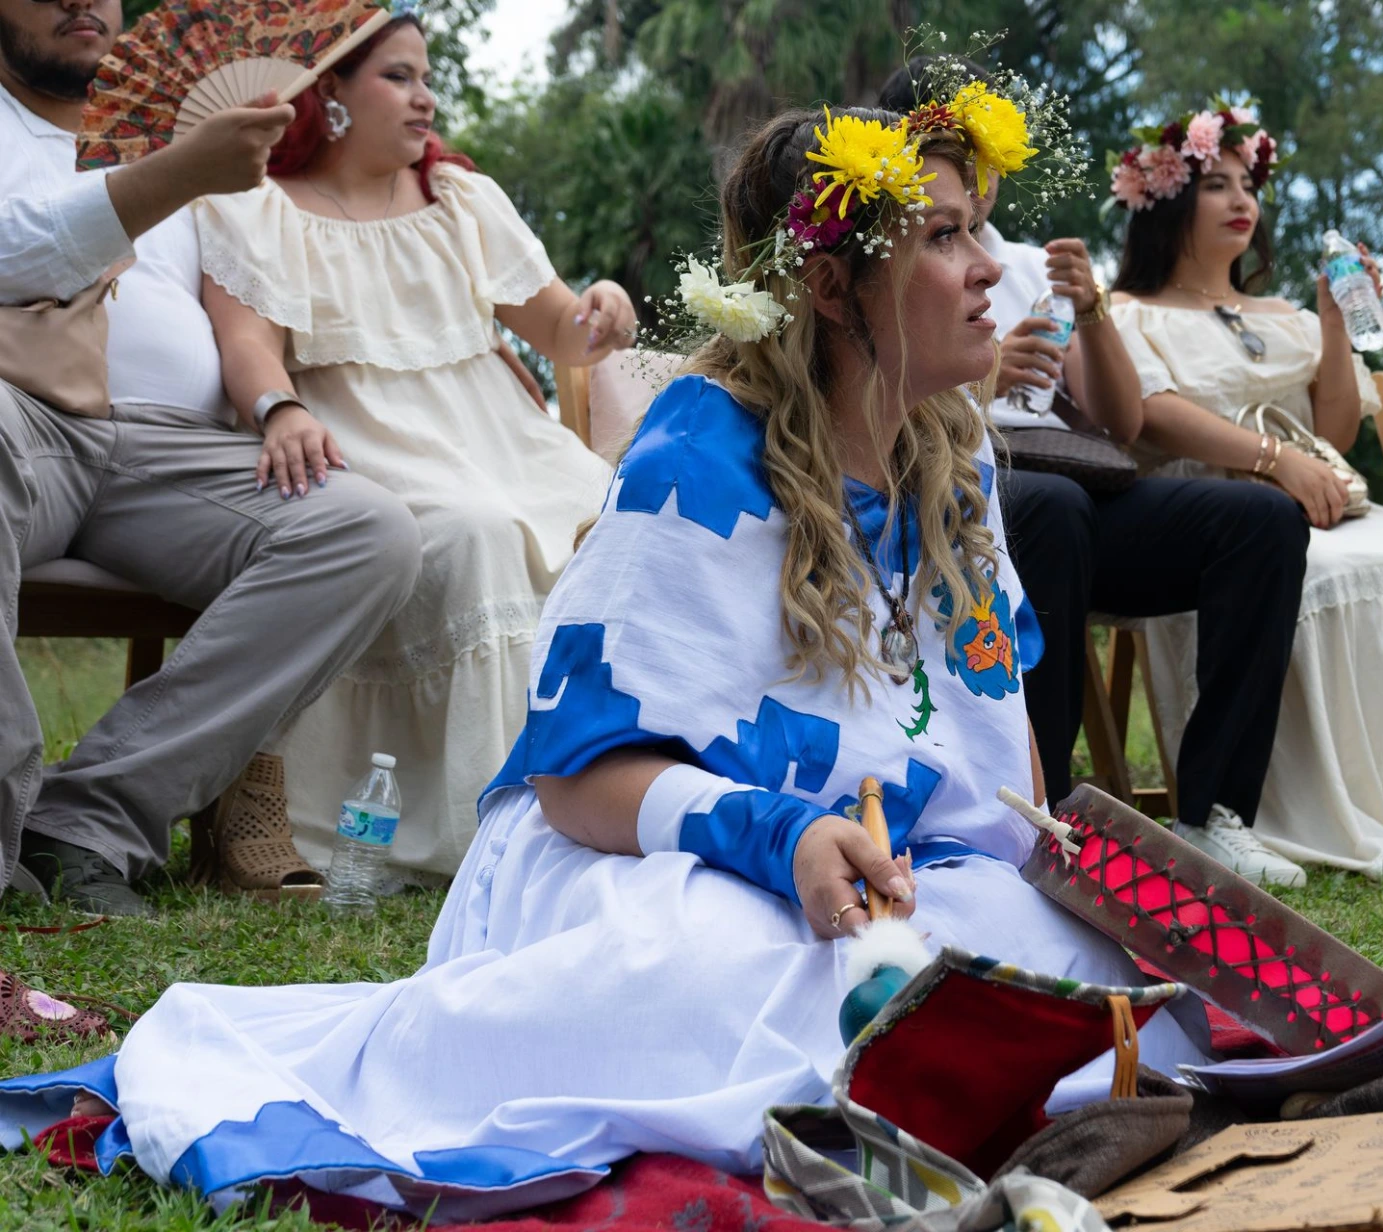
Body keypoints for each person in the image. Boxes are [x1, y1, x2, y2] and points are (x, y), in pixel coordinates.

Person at [0, 104, 1211, 1215]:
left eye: (978, 229)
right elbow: (578, 778)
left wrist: (1042, 864)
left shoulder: (957, 456)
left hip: (882, 864)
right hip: (642, 848)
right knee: (726, 967)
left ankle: (912, 1077)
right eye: (944, 237)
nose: (990, 266)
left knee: (1072, 953)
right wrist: (782, 836)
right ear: (832, 285)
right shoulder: (699, 454)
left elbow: (988, 723)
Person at [0, 0, 421, 920]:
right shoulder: (165, 157)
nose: (81, 1)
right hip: (22, 421)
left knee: (368, 531)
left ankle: (85, 822)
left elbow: (241, 312)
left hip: (171, 452)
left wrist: (274, 404)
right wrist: (175, 175)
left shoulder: (188, 140)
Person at [193, 15, 633, 880]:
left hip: (498, 437)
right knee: (479, 532)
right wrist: (279, 409)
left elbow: (560, 327)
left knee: (613, 515)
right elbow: (246, 343)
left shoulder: (461, 200)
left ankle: (619, 792)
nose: (425, 97)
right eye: (398, 77)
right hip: (367, 443)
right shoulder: (257, 208)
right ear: (330, 93)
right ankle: (497, 823)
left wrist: (603, 306)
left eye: (427, 78)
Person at [877, 61, 1310, 886]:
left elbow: (1123, 423)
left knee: (1259, 523)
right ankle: (1045, 812)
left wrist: (1096, 312)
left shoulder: (1027, 266)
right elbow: (876, 401)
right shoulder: (889, 260)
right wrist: (984, 377)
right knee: (1053, 509)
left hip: (1068, 490)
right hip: (952, 491)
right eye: (957, 152)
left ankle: (1212, 813)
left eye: (986, 154)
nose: (978, 172)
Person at [1108, 104, 1383, 882]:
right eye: (1216, 184)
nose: (1241, 200)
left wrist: (1333, 323)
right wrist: (1273, 461)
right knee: (1317, 575)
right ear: (1165, 200)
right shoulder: (1128, 314)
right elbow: (1151, 415)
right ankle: (1278, 812)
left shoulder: (1283, 315)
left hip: (1322, 497)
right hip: (1207, 513)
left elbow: (1337, 430)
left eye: (1248, 185)